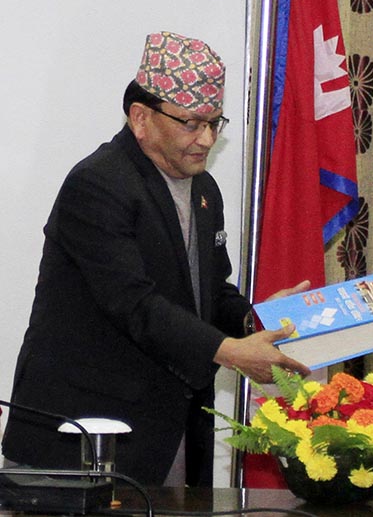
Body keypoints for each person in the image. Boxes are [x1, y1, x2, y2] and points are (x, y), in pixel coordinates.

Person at [1, 32, 310, 487]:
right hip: (82, 438)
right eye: (191, 123)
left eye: (214, 123)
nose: (206, 138)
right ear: (141, 118)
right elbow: (132, 304)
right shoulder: (98, 184)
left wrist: (257, 319)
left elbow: (209, 291)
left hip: (170, 436)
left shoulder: (204, 190)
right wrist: (232, 355)